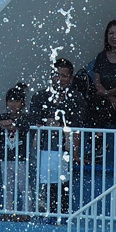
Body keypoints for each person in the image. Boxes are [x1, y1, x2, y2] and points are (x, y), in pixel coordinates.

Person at [28, 59, 86, 215]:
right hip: (43, 149)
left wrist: (61, 125)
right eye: (56, 75)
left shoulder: (76, 98)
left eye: (64, 75)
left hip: (64, 149)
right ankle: (43, 217)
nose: (59, 79)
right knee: (42, 187)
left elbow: (78, 125)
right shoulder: (40, 96)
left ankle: (61, 217)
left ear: (71, 78)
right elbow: (33, 119)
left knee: (62, 186)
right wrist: (47, 121)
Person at [0, 84, 31, 215]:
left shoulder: (26, 117)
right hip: (5, 158)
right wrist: (3, 123)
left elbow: (23, 124)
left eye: (16, 101)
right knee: (7, 187)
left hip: (21, 159)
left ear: (23, 103)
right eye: (10, 101)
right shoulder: (2, 116)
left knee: (24, 187)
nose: (13, 104)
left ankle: (26, 212)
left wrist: (3, 124)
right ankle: (8, 211)